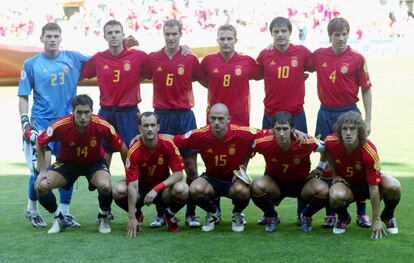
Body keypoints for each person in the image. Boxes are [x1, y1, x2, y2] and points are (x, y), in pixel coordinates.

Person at [17, 22, 89, 228]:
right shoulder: (31, 64)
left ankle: (65, 212)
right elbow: (23, 95)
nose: (52, 39)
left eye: (56, 36)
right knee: (42, 169)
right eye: (48, 36)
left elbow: (102, 61)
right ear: (41, 38)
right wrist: (24, 121)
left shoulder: (73, 58)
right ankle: (32, 208)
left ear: (61, 38)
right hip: (41, 123)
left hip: (67, 123)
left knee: (70, 167)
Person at [308, 17, 373, 228]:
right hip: (326, 113)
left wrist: (368, 119)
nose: (341, 38)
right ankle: (331, 211)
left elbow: (366, 88)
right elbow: (298, 62)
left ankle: (362, 212)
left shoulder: (357, 58)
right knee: (326, 159)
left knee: (357, 161)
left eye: (344, 34)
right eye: (337, 35)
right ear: (330, 36)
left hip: (350, 114)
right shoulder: (319, 55)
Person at [34, 94, 128, 234]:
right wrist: (42, 171)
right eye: (79, 112)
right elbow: (40, 142)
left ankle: (103, 216)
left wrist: (128, 174)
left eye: (86, 112)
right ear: (73, 112)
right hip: (67, 164)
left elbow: (122, 147)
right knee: (41, 187)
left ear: (92, 111)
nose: (83, 117)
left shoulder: (102, 124)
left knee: (106, 186)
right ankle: (59, 218)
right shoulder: (61, 124)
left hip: (94, 164)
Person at [143, 19, 201, 228]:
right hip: (162, 117)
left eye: (174, 34)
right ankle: (161, 213)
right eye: (167, 34)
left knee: (191, 167)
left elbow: (202, 78)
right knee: (161, 168)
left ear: (180, 34)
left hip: (185, 116)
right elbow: (138, 72)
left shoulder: (190, 59)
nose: (170, 38)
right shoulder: (153, 59)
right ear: (163, 35)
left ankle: (191, 214)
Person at [255, 16, 313, 225]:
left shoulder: (302, 53)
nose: (280, 35)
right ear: (271, 34)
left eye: (283, 31)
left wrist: (301, 76)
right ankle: (269, 210)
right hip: (271, 115)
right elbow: (253, 73)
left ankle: (302, 211)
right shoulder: (264, 55)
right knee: (271, 158)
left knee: (302, 160)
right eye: (276, 31)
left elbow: (319, 66)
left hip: (296, 115)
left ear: (290, 33)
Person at [173, 103, 260, 232]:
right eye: (213, 118)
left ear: (228, 119)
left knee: (244, 190)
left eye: (220, 119)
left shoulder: (241, 132)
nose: (216, 122)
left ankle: (237, 214)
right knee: (195, 188)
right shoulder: (200, 134)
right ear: (208, 118)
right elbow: (175, 139)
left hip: (233, 179)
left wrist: (295, 131)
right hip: (212, 179)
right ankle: (213, 212)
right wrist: (147, 137)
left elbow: (267, 134)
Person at [82, 20, 149, 167]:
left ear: (123, 35)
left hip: (129, 112)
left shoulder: (138, 56)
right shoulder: (98, 58)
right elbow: (84, 72)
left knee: (132, 152)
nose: (114, 36)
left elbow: (155, 66)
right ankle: (104, 188)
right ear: (105, 36)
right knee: (103, 153)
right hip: (106, 112)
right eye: (110, 33)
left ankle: (133, 188)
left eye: (117, 32)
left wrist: (183, 48)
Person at [324, 111, 400, 238]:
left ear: (359, 131)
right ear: (339, 130)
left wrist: (376, 219)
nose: (348, 133)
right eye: (344, 129)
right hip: (348, 185)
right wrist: (335, 174)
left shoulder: (369, 151)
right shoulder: (331, 141)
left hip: (368, 185)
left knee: (394, 186)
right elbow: (324, 149)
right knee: (335, 195)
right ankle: (343, 218)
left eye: (352, 129)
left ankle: (387, 216)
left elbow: (373, 187)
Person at [112, 112, 189, 237]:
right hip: (140, 190)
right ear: (139, 128)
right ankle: (137, 214)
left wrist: (156, 188)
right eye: (146, 125)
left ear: (158, 127)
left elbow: (179, 174)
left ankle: (169, 215)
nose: (149, 129)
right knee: (118, 190)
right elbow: (132, 185)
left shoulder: (168, 144)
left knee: (183, 189)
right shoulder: (134, 150)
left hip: (162, 190)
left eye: (153, 125)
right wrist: (131, 217)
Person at [251, 111, 328, 233]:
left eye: (285, 129)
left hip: (302, 183)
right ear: (273, 130)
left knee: (324, 191)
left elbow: (326, 148)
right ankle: (272, 216)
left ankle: (306, 216)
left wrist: (320, 168)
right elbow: (246, 146)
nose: (281, 133)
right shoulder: (264, 143)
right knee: (255, 187)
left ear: (292, 129)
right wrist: (242, 169)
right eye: (278, 129)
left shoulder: (305, 142)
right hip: (275, 183)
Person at [199, 24, 261, 126]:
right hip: (216, 117)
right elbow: (198, 76)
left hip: (240, 116)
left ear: (235, 40)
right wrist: (212, 85)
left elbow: (262, 74)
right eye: (222, 39)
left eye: (229, 39)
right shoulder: (208, 61)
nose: (225, 42)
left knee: (241, 142)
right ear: (217, 41)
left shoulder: (247, 61)